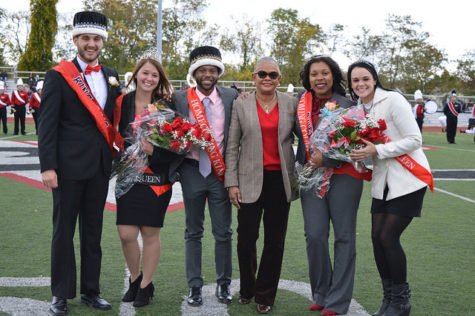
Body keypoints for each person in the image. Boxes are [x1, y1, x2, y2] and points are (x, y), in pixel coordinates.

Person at [38, 11, 122, 316]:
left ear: (102, 43)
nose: (91, 44)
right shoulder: (58, 75)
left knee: (93, 233)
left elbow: (117, 118)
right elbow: (46, 125)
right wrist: (47, 166)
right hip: (66, 169)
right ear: (75, 40)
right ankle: (60, 294)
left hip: (99, 168)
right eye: (86, 38)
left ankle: (91, 290)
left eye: (96, 39)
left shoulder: (111, 74)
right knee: (63, 232)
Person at [348, 60, 433, 316]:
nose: (360, 84)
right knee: (376, 239)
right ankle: (389, 300)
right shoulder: (358, 109)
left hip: (408, 180)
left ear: (374, 79)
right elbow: (372, 151)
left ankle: (401, 302)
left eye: (365, 78)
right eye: (355, 80)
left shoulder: (393, 100)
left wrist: (378, 149)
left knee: (388, 237)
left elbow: (414, 139)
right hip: (383, 182)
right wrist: (362, 158)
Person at [294, 55, 370, 316]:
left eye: (324, 73)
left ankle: (337, 301)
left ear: (333, 75)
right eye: (314, 74)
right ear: (308, 79)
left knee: (344, 237)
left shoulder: (350, 105)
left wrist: (326, 158)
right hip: (311, 176)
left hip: (344, 176)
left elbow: (356, 145)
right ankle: (321, 293)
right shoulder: (299, 105)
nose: (319, 78)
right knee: (314, 235)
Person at [225, 57, 298, 314]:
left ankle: (265, 294)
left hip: (281, 181)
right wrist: (231, 182)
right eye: (262, 74)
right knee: (246, 239)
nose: (267, 78)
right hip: (248, 180)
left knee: (275, 241)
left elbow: (306, 137)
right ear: (254, 77)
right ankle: (247, 288)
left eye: (273, 74)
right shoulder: (241, 104)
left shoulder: (292, 103)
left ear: (280, 78)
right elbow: (232, 145)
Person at [169, 46, 238, 306]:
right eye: (202, 70)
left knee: (224, 233)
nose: (207, 74)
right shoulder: (179, 98)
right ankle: (194, 287)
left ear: (218, 72)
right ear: (194, 73)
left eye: (212, 70)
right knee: (193, 232)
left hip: (221, 173)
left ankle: (223, 284)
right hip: (192, 170)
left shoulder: (231, 95)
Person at [115, 49, 178, 307]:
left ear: (159, 78)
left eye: (154, 74)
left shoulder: (166, 107)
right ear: (136, 74)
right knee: (126, 233)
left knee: (150, 232)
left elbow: (176, 146)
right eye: (145, 73)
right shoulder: (122, 102)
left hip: (156, 178)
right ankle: (135, 276)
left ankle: (144, 285)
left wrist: (155, 152)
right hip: (129, 176)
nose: (149, 78)